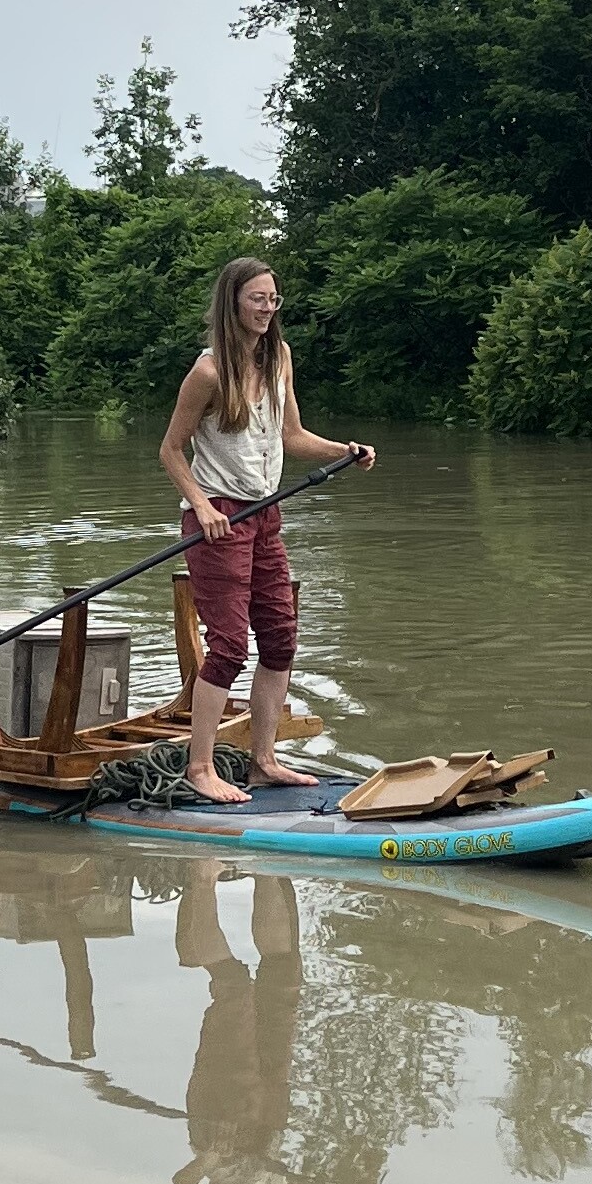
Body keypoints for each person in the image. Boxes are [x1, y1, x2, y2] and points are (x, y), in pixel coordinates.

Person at [157, 256, 375, 804]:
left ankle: (263, 761)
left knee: (280, 638)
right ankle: (200, 768)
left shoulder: (279, 358)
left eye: (273, 299)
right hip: (219, 520)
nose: (267, 308)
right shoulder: (208, 373)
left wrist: (343, 451)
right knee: (229, 645)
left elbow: (292, 436)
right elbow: (170, 449)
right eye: (257, 298)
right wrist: (202, 506)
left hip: (266, 515)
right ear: (233, 302)